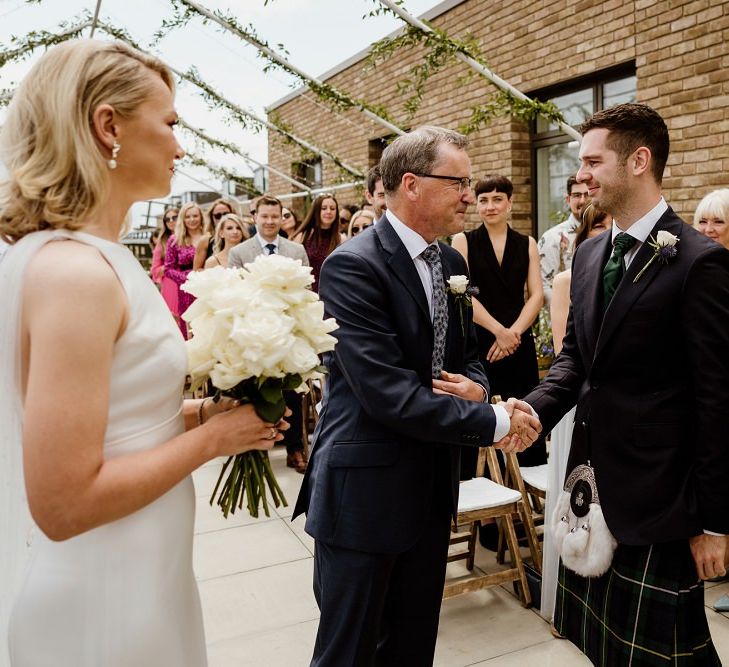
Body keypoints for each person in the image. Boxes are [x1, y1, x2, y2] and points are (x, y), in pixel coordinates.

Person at [0, 38, 288, 667]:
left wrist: (206, 417)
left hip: (142, 567)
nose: (181, 146)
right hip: (101, 597)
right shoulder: (74, 274)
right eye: (170, 123)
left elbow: (113, 425)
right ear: (110, 126)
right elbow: (64, 502)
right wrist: (213, 442)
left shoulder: (94, 258)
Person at [293, 125, 541, 667]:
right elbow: (388, 394)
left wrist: (478, 386)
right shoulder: (353, 266)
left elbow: (466, 353)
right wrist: (495, 421)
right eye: (459, 183)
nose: (469, 197)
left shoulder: (451, 264)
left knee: (411, 648)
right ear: (411, 184)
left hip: (429, 488)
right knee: (349, 651)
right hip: (364, 492)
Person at [522, 103, 728, 664]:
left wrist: (715, 521)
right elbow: (575, 362)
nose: (581, 173)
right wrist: (531, 411)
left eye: (593, 161)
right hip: (591, 492)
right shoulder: (589, 255)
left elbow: (718, 402)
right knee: (602, 650)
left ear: (639, 160)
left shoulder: (699, 262)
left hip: (660, 500)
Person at [540, 203, 610, 625]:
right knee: (578, 504)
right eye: (596, 227)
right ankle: (567, 605)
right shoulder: (571, 277)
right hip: (577, 403)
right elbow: (570, 349)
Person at [452, 175, 543, 467]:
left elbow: (536, 295)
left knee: (524, 416)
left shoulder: (526, 243)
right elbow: (462, 293)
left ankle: (525, 494)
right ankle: (485, 495)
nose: (490, 206)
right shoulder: (463, 240)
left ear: (510, 202)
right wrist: (498, 331)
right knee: (483, 420)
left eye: (497, 199)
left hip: (519, 344)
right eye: (483, 200)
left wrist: (513, 334)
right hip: (481, 342)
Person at [229, 195, 310, 473]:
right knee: (257, 390)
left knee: (292, 389)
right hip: (254, 332)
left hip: (289, 330)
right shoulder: (240, 253)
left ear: (281, 217)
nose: (270, 221)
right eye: (264, 216)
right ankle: (256, 449)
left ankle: (294, 447)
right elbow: (235, 293)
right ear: (255, 217)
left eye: (275, 216)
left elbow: (306, 293)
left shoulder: (295, 250)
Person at [537, 174, 590, 306]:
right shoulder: (552, 237)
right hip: (562, 320)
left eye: (587, 194)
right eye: (577, 195)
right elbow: (544, 286)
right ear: (568, 199)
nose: (583, 201)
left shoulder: (608, 232)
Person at [165, 200, 204, 337]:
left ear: (201, 217)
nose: (192, 219)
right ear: (183, 219)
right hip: (187, 289)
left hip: (207, 286)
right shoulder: (175, 240)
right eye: (188, 216)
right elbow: (168, 269)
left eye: (195, 216)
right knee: (190, 329)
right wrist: (187, 278)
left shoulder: (209, 236)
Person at [292, 193, 340, 292]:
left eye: (332, 208)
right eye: (324, 208)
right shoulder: (302, 237)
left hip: (333, 293)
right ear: (316, 211)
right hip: (307, 293)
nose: (328, 211)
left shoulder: (341, 239)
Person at [193, 197, 238, 270]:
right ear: (212, 218)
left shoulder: (240, 235)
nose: (222, 218)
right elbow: (196, 269)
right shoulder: (206, 240)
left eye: (226, 214)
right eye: (217, 216)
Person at [150, 205, 179, 316]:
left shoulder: (190, 237)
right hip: (170, 284)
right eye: (167, 219)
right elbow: (155, 270)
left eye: (174, 218)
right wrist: (170, 265)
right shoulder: (162, 242)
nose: (171, 221)